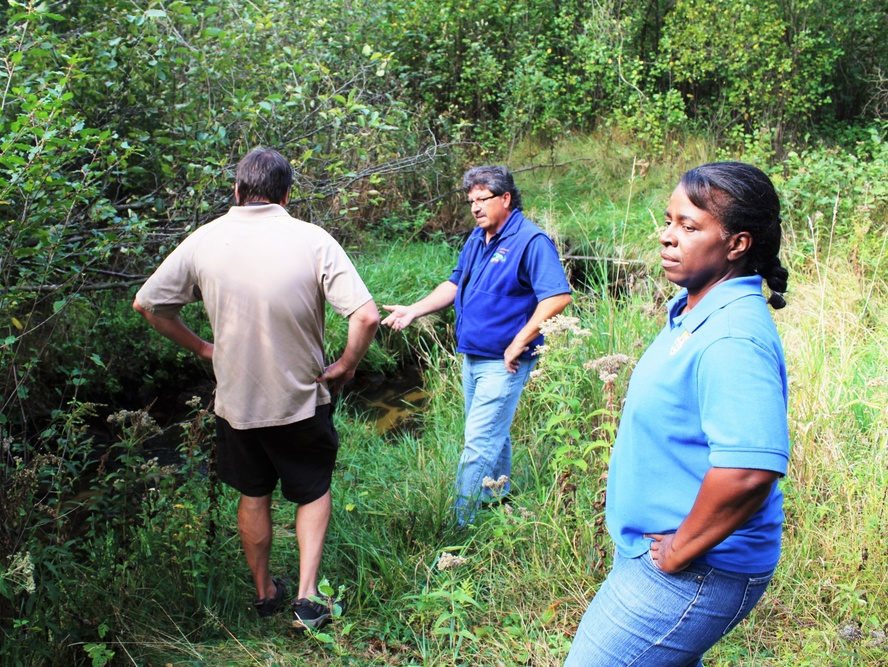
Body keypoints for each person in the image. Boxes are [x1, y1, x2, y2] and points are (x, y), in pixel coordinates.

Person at [132, 148, 380, 631]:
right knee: (311, 491)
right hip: (301, 398)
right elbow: (366, 315)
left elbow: (148, 304)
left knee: (253, 493)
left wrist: (205, 348)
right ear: (287, 194)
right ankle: (308, 600)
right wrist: (346, 365)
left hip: (237, 403)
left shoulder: (204, 240)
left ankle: (265, 594)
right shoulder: (311, 238)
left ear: (237, 191)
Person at [564, 162, 791, 666]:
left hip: (695, 571)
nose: (668, 237)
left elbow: (749, 469)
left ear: (737, 244)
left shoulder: (732, 336)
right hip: (666, 558)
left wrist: (680, 551)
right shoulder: (694, 311)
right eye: (667, 221)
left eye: (689, 227)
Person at [382, 166, 572, 525]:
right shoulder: (478, 237)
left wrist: (520, 341)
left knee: (477, 446)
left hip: (504, 363)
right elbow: (455, 284)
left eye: (482, 199)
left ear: (505, 198)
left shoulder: (530, 241)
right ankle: (498, 503)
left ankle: (459, 526)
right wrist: (413, 310)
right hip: (472, 358)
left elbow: (557, 298)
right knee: (492, 438)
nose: (474, 207)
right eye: (470, 201)